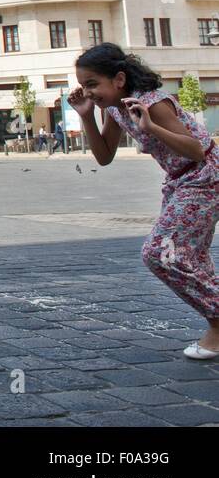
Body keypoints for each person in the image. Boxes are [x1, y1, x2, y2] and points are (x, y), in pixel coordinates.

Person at [72, 43, 219, 358]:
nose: (87, 92)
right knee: (193, 257)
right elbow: (104, 156)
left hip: (205, 175)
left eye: (92, 83)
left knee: (160, 253)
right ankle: (217, 330)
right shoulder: (114, 108)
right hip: (182, 181)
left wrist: (151, 126)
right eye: (84, 85)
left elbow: (195, 149)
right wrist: (87, 117)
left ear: (120, 79)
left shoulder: (154, 102)